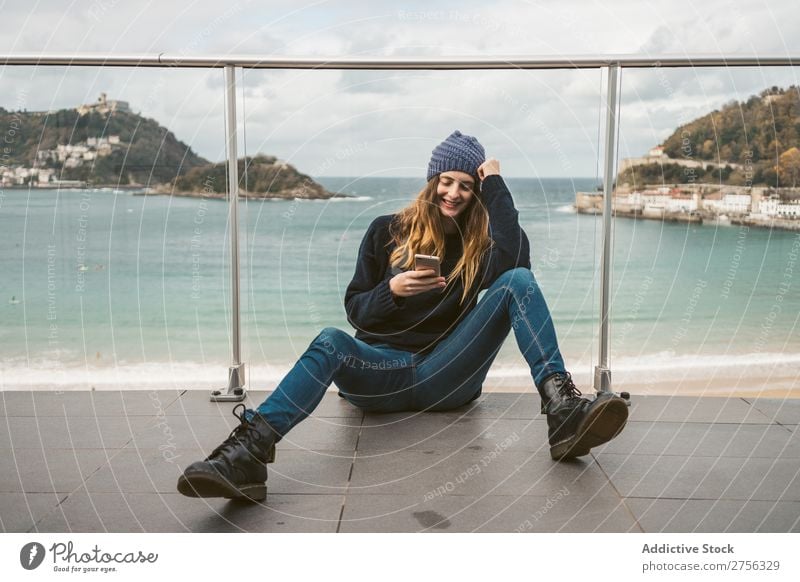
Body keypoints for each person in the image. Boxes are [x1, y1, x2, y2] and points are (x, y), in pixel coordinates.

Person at [177, 130, 628, 502]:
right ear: (431, 182)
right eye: (447, 181)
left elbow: (513, 262)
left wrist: (495, 181)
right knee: (331, 338)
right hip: (380, 374)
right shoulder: (385, 231)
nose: (454, 193)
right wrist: (390, 292)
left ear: (476, 192)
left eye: (466, 185)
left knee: (520, 283)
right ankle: (247, 455)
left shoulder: (481, 245)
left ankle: (562, 410)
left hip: (446, 375)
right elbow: (356, 309)